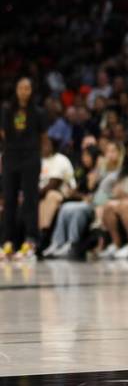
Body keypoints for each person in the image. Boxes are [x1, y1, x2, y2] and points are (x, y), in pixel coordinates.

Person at [1, 78, 46, 261]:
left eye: (27, 88)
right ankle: (6, 243)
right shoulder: (6, 110)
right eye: (21, 87)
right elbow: (3, 133)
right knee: (9, 200)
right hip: (11, 157)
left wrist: (36, 155)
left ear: (32, 90)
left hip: (31, 158)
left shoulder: (38, 111)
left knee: (30, 200)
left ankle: (31, 241)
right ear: (16, 89)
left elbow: (43, 136)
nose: (24, 91)